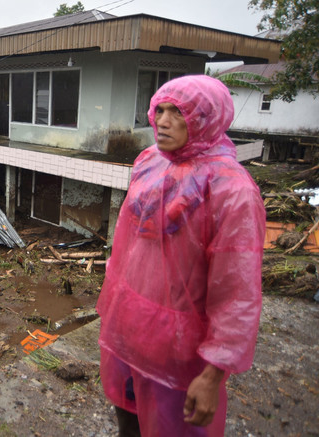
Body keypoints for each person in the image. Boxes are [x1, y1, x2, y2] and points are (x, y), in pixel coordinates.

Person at [96, 75, 265, 436]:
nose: (163, 121)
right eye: (160, 110)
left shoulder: (232, 191)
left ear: (207, 119)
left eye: (178, 112)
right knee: (128, 420)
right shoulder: (149, 163)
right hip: (129, 329)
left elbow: (236, 294)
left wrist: (213, 374)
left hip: (180, 351)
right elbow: (128, 246)